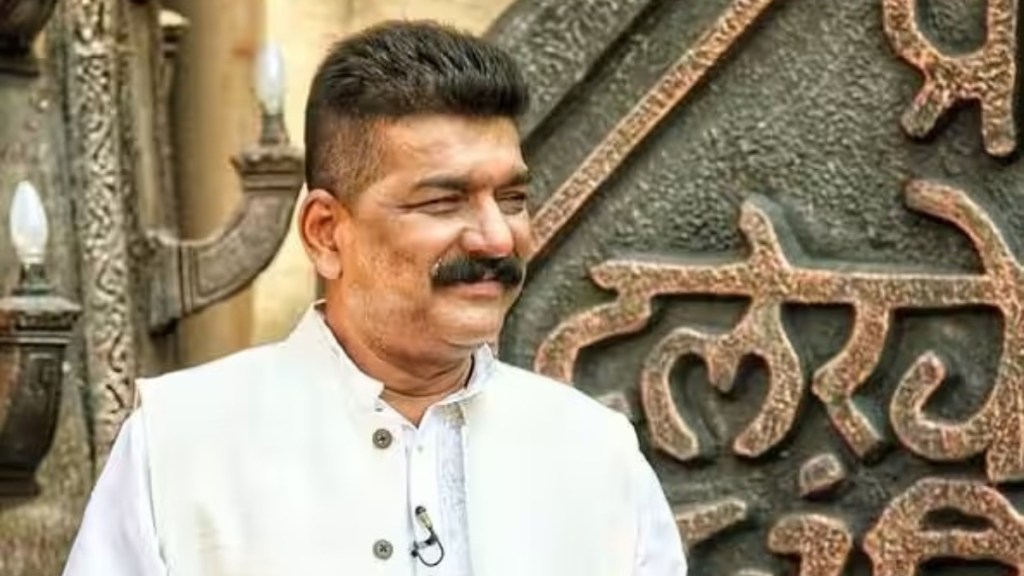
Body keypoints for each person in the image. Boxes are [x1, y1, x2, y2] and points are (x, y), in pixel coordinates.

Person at [63, 20, 687, 576]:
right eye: (443, 202)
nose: (499, 237)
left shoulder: (596, 454)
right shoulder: (180, 445)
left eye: (513, 199)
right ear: (325, 233)